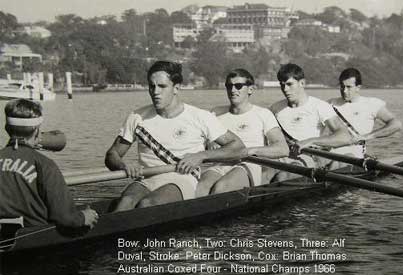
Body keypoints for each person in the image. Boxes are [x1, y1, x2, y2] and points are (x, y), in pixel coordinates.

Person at [105, 61, 246, 211]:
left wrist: (201, 156)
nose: (155, 92)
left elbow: (238, 147)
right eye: (152, 86)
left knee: (147, 205)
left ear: (176, 88)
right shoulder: (137, 117)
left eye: (162, 86)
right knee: (124, 204)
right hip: (146, 178)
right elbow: (112, 155)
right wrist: (124, 166)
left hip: (182, 178)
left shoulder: (200, 117)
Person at [0, 99, 98, 228]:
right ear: (36, 131)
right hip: (34, 239)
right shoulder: (45, 165)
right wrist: (83, 217)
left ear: (7, 128)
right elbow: (65, 218)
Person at [196, 69, 289, 197]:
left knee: (221, 187)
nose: (233, 90)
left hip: (248, 163)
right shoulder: (215, 113)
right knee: (200, 189)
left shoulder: (263, 114)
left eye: (238, 86)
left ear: (250, 89)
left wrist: (249, 151)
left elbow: (283, 149)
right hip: (220, 163)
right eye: (229, 86)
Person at [269, 63, 352, 181]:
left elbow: (345, 137)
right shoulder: (275, 108)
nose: (285, 89)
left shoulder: (320, 106)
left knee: (282, 177)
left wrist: (309, 141)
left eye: (289, 84)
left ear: (302, 83)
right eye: (282, 85)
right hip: (281, 157)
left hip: (309, 157)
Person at [328, 68, 402, 158]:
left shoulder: (372, 104)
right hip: (330, 152)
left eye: (349, 87)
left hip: (355, 154)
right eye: (342, 86)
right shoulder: (330, 104)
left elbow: (396, 124)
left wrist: (367, 136)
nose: (344, 91)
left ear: (358, 88)